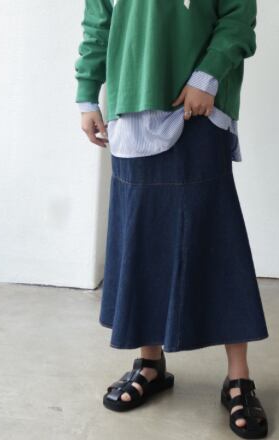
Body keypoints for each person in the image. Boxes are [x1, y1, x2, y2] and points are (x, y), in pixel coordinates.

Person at [75, 1, 269, 438]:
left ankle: (238, 377)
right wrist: (87, 94)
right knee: (143, 239)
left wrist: (207, 76)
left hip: (199, 105)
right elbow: (98, 21)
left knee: (217, 241)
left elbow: (238, 16)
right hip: (130, 107)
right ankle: (150, 363)